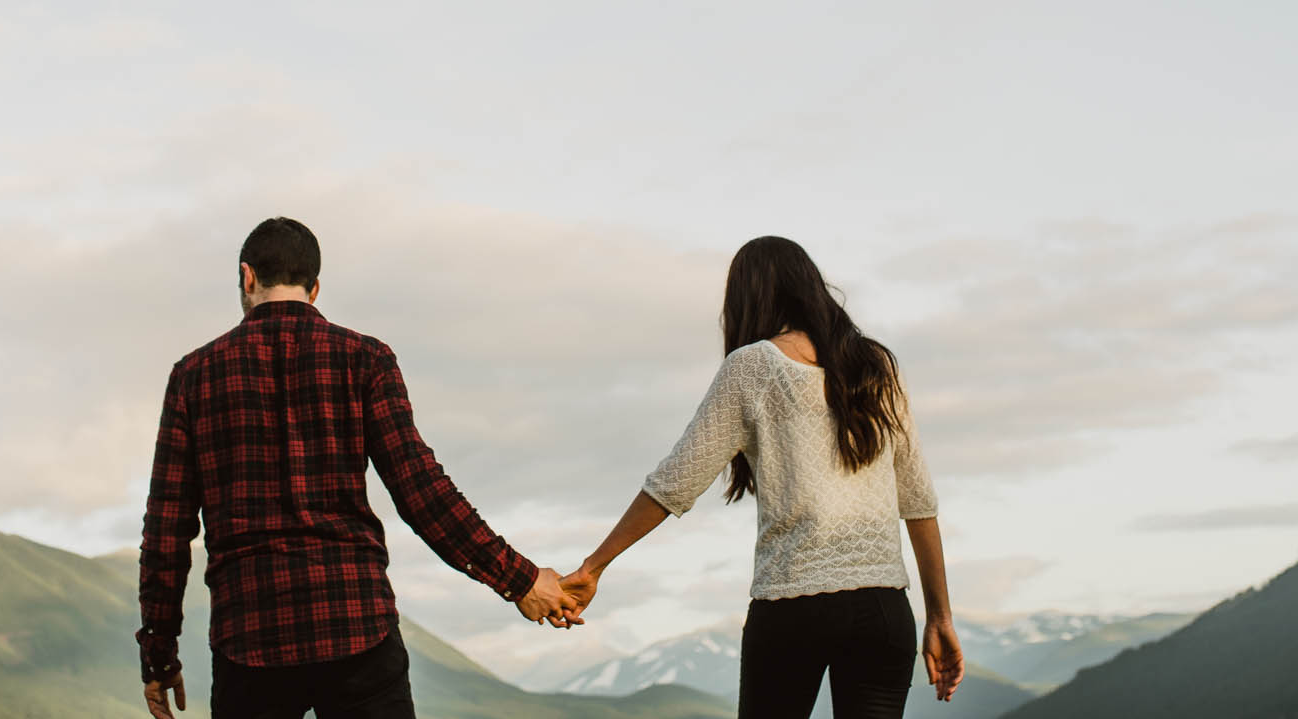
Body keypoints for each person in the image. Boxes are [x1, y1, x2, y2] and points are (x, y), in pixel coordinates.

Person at [136, 217, 579, 719]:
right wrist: (517, 579)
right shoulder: (365, 359)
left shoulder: (193, 377)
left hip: (250, 637)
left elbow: (166, 531)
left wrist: (159, 653)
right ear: (315, 286)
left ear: (247, 277)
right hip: (356, 627)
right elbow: (422, 493)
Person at [561, 235, 966, 717]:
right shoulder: (875, 366)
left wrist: (594, 565)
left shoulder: (752, 366)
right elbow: (918, 501)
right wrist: (939, 616)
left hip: (793, 604)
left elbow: (677, 480)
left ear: (749, 299)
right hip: (883, 610)